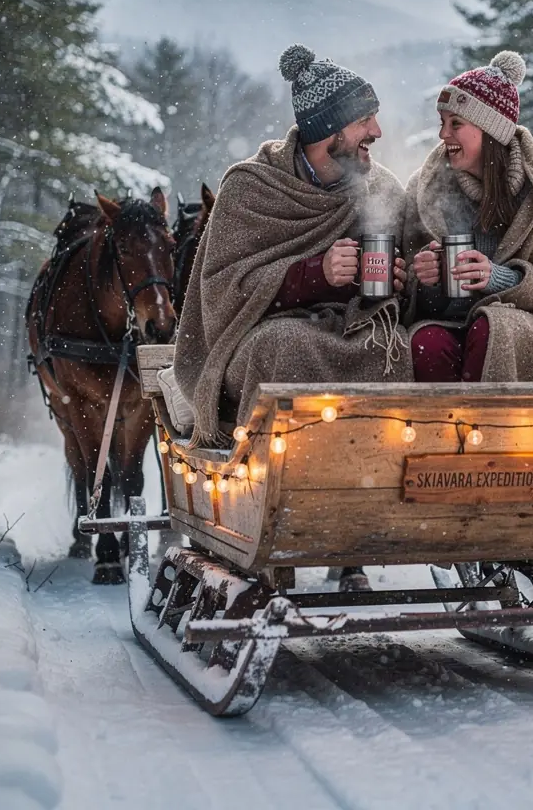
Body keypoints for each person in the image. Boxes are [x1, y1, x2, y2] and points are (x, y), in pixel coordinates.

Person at [174, 44, 411, 592]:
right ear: (327, 131)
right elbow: (221, 290)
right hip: (251, 337)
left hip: (349, 326)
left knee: (396, 349)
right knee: (285, 349)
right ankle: (270, 518)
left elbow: (411, 268)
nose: (376, 131)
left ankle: (358, 518)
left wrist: (403, 282)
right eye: (363, 120)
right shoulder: (252, 188)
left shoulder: (381, 189)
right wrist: (312, 274)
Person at [403, 51, 533, 383]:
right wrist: (426, 281)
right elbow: (403, 292)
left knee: (494, 329)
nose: (443, 135)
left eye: (456, 124)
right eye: (442, 123)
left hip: (531, 328)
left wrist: (502, 279)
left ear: (490, 130)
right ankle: (442, 432)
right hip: (451, 323)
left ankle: (492, 431)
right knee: (426, 343)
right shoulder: (427, 191)